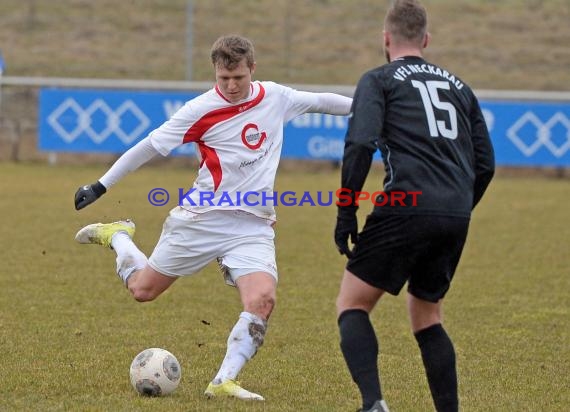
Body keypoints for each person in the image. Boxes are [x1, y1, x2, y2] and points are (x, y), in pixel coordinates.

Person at [74, 34, 352, 401]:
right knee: (143, 290)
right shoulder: (199, 110)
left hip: (253, 224)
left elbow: (323, 102)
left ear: (252, 68)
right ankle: (118, 236)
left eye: (238, 77)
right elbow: (148, 147)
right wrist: (101, 185)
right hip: (202, 219)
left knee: (263, 300)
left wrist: (374, 106)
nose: (232, 86)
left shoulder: (275, 97)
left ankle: (223, 381)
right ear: (215, 73)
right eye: (224, 78)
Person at [333, 1, 495, 411]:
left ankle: (373, 404)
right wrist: (456, 206)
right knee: (427, 315)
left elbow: (360, 144)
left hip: (405, 205)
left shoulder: (379, 79)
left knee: (352, 303)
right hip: (455, 213)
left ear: (386, 39)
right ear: (425, 39)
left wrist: (347, 210)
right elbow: (485, 163)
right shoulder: (460, 87)